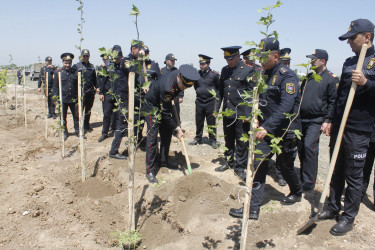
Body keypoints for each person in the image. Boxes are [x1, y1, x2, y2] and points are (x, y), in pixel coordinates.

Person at [229, 38, 302, 220]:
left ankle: (297, 191)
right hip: (265, 129)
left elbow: (286, 106)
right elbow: (258, 101)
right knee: (258, 166)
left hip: (285, 130)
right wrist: (250, 116)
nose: (260, 61)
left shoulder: (287, 76)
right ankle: (252, 209)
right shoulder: (262, 75)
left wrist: (267, 126)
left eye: (263, 57)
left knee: (285, 166)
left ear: (275, 56)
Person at [319, 19, 375, 236]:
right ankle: (332, 207)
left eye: (353, 37)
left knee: (354, 175)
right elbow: (340, 97)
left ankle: (348, 217)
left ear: (367, 37)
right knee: (336, 169)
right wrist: (331, 119)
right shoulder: (349, 62)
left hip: (359, 130)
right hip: (340, 126)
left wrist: (366, 84)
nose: (349, 42)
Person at [143, 64, 200, 183]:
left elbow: (168, 108)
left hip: (162, 104)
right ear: (179, 76)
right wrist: (177, 128)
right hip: (151, 107)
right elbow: (165, 113)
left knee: (166, 133)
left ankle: (164, 161)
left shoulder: (178, 77)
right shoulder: (168, 88)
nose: (184, 88)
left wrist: (173, 127)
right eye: (183, 85)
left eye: (187, 86)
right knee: (152, 138)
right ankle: (150, 170)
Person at [298, 49, 338, 191]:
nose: (311, 62)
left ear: (323, 61)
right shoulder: (309, 77)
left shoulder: (331, 78)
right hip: (302, 118)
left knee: (310, 146)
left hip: (317, 119)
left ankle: (309, 181)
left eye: (314, 59)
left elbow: (333, 101)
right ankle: (303, 175)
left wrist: (328, 120)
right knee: (301, 147)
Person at [214, 46, 254, 180]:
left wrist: (248, 114)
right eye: (226, 59)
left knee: (242, 142)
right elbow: (220, 92)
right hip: (228, 111)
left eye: (231, 59)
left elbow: (250, 95)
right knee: (228, 139)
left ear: (238, 57)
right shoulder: (224, 71)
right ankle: (229, 162)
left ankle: (240, 167)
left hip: (241, 113)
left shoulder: (248, 70)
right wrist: (216, 108)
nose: (228, 62)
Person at [108, 40, 143, 159]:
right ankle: (113, 151)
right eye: (139, 49)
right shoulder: (126, 61)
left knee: (135, 120)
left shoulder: (134, 61)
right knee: (122, 123)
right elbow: (133, 73)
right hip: (124, 97)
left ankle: (132, 143)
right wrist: (140, 61)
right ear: (133, 49)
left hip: (132, 96)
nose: (141, 52)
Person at [189, 54, 220, 148]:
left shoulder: (214, 75)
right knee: (199, 121)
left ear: (208, 64)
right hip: (199, 102)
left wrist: (216, 106)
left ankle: (213, 140)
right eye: (200, 63)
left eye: (203, 64)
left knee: (211, 122)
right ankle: (198, 138)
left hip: (210, 102)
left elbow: (218, 89)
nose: (201, 65)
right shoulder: (197, 74)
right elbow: (196, 86)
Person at [98, 45, 123, 143]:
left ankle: (116, 131)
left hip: (119, 95)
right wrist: (101, 92)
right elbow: (103, 80)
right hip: (108, 93)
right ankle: (104, 133)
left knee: (118, 115)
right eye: (115, 58)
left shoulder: (123, 66)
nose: (117, 59)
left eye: (119, 57)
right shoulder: (108, 65)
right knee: (107, 114)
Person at [52, 53, 79, 141]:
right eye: (66, 63)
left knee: (76, 116)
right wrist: (55, 98)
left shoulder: (75, 72)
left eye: (69, 63)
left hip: (73, 99)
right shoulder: (58, 73)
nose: (67, 65)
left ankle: (78, 131)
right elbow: (55, 87)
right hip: (63, 99)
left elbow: (78, 86)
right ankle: (65, 133)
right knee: (63, 117)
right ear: (63, 62)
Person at [73, 49, 97, 133]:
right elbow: (73, 79)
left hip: (90, 92)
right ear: (81, 56)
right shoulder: (77, 66)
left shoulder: (92, 66)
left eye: (87, 56)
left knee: (88, 110)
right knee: (79, 111)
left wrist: (97, 87)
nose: (85, 57)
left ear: (89, 56)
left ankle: (87, 125)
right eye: (84, 56)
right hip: (81, 92)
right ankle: (80, 127)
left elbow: (94, 79)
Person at [161, 53, 184, 121]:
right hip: (165, 96)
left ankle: (177, 128)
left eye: (174, 60)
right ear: (166, 61)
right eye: (171, 60)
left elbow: (181, 84)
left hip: (175, 95)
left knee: (176, 113)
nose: (173, 62)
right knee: (165, 112)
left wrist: (181, 96)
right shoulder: (162, 71)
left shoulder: (177, 71)